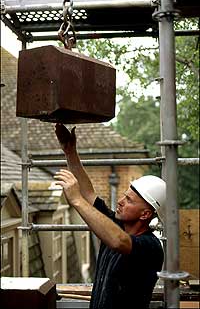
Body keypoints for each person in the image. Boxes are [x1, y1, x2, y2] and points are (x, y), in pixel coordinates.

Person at [54, 123, 166, 309]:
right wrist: (70, 152)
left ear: (146, 213)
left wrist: (76, 200)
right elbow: (89, 194)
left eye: (129, 200)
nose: (121, 201)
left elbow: (119, 242)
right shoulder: (115, 225)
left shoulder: (151, 247)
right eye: (124, 195)